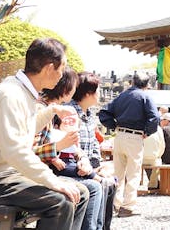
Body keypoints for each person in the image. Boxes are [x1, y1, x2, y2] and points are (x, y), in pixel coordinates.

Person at [0, 38, 89, 230]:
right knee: (60, 201)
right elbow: (15, 150)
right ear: (49, 68)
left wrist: (52, 111)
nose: (62, 74)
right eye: (62, 68)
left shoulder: (21, 92)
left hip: (9, 173)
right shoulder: (10, 94)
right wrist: (52, 180)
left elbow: (24, 128)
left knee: (81, 192)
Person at [40, 68, 104, 230]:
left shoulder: (60, 109)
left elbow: (76, 146)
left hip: (61, 163)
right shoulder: (59, 111)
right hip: (52, 167)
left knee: (102, 184)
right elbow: (29, 150)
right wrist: (56, 153)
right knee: (91, 187)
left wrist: (85, 161)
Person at [103, 72, 160, 217]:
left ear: (132, 82)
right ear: (147, 85)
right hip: (135, 136)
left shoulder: (121, 96)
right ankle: (127, 207)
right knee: (133, 173)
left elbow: (104, 112)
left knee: (118, 173)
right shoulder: (145, 96)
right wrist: (147, 132)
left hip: (119, 135)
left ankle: (115, 204)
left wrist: (114, 125)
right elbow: (154, 118)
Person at [69, 71, 118, 230]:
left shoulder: (89, 115)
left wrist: (100, 166)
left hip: (89, 167)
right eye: (97, 90)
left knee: (110, 182)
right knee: (99, 184)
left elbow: (94, 147)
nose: (99, 94)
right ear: (88, 93)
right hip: (74, 168)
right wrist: (92, 172)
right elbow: (71, 149)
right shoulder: (70, 113)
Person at [141, 118, 165, 189]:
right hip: (153, 158)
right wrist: (159, 155)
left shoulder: (139, 126)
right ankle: (153, 185)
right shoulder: (159, 129)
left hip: (140, 158)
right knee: (158, 162)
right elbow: (162, 145)